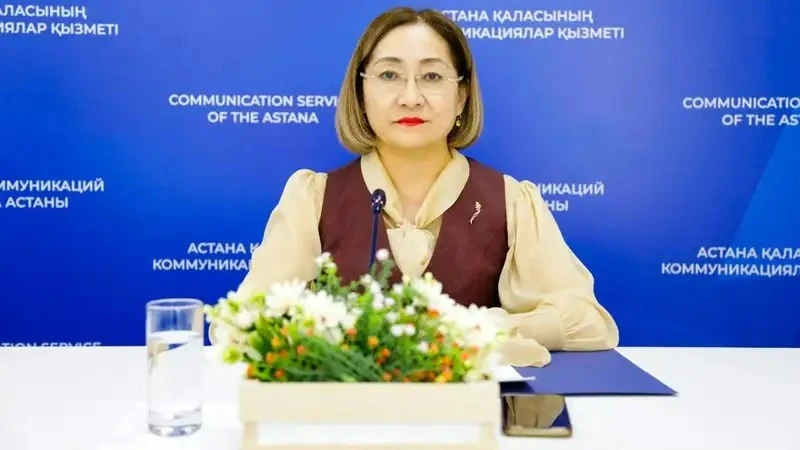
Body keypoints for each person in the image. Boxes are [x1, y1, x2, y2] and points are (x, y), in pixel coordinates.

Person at [233, 7, 619, 367]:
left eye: (432, 77)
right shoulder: (312, 199)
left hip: (472, 413)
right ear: (361, 93)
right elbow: (241, 325)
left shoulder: (510, 200)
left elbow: (590, 322)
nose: (410, 98)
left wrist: (484, 330)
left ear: (462, 96)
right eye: (389, 75)